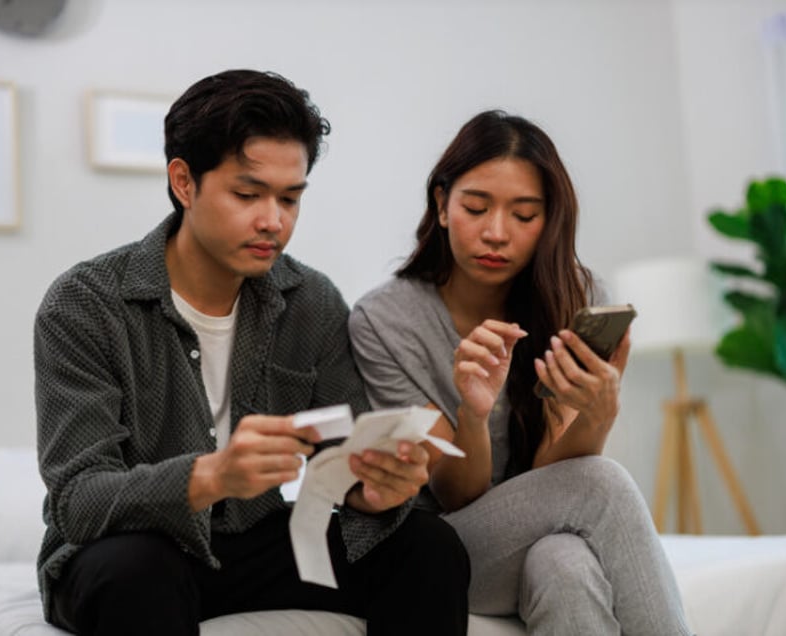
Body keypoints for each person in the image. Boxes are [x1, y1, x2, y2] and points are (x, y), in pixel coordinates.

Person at [33, 69, 469, 636]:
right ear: (184, 182)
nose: (273, 220)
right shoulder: (85, 303)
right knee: (134, 572)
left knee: (427, 544)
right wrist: (211, 476)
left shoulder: (309, 299)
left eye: (290, 198)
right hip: (128, 548)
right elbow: (80, 501)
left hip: (256, 541)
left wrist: (374, 489)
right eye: (247, 194)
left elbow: (342, 461)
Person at [348, 110, 693, 635]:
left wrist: (597, 415)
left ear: (549, 221)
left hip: (539, 534)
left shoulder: (577, 298)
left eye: (524, 216)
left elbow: (557, 473)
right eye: (475, 207)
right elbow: (454, 495)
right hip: (441, 547)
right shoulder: (385, 320)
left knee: (563, 564)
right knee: (599, 485)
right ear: (441, 205)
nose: (496, 233)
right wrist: (473, 411)